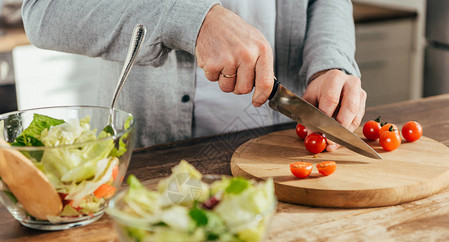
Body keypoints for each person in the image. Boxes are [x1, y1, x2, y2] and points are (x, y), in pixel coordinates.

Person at [21, 0, 365, 150]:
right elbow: (43, 12)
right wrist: (192, 20)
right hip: (161, 156)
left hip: (282, 150)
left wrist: (330, 62)